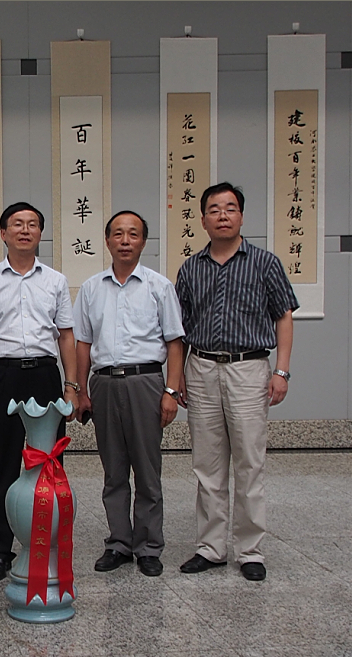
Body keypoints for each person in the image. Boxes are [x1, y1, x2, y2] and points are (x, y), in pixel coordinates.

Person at [175, 182, 298, 582]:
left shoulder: (265, 263)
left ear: (241, 216)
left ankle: (250, 550)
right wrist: (179, 378)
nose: (223, 215)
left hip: (249, 368)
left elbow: (283, 316)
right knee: (207, 464)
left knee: (249, 462)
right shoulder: (190, 268)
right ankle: (211, 547)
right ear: (203, 219)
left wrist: (281, 371)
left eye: (230, 208)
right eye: (214, 209)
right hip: (201, 368)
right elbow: (180, 328)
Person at [74, 210, 185, 577]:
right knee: (114, 470)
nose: (125, 240)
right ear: (107, 241)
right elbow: (83, 343)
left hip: (145, 382)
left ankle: (149, 546)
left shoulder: (159, 286)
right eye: (118, 234)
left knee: (148, 470)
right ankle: (119, 543)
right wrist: (81, 390)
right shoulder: (92, 288)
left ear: (143, 242)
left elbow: (174, 342)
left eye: (133, 234)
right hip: (104, 384)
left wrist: (171, 391)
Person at [0, 202, 78, 582]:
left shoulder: (55, 281)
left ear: (40, 233)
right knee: (0, 465)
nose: (25, 230)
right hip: (2, 376)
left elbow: (65, 335)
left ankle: (43, 543)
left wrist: (71, 386)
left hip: (44, 376)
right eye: (17, 224)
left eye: (32, 224)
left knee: (47, 464)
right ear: (3, 233)